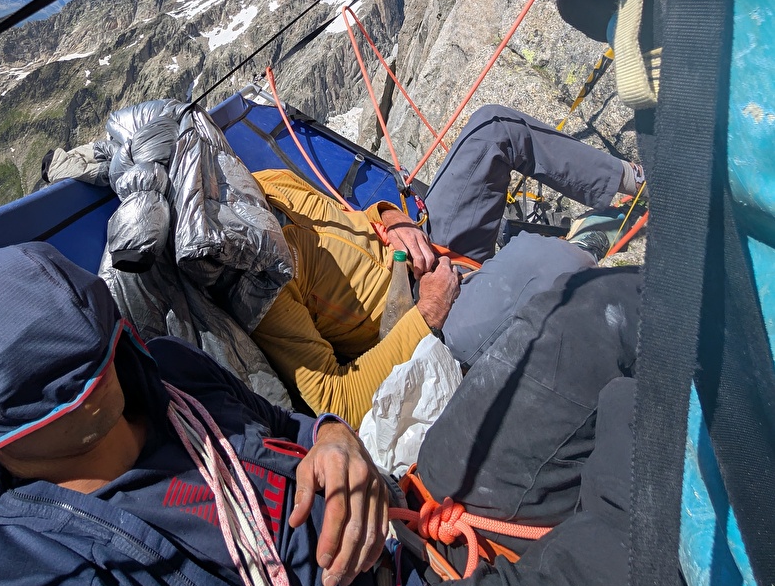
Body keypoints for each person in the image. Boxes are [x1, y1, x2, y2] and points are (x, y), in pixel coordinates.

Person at [0, 241, 393, 586]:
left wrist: (334, 436)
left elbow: (289, 427)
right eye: (68, 388)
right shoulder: (31, 583)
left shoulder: (171, 372)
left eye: (99, 349)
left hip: (412, 535)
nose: (99, 372)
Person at [391, 264, 732, 586]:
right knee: (633, 413)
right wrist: (424, 314)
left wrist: (328, 436)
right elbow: (331, 390)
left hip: (413, 524)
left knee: (583, 315)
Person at [249, 104, 640, 426]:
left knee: (494, 128)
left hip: (427, 245)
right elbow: (339, 403)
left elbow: (352, 216)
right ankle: (601, 236)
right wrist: (428, 312)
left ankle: (634, 181)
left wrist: (392, 218)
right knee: (547, 260)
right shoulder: (264, 285)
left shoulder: (267, 183)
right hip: (430, 330)